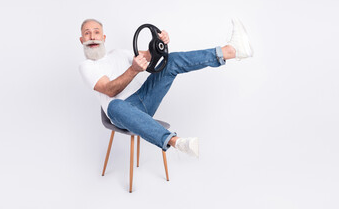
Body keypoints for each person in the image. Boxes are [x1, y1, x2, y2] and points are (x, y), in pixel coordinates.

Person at [79, 18, 253, 158]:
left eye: (96, 32)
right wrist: (133, 70)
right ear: (81, 40)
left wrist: (158, 42)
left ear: (104, 37)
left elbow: (150, 55)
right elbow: (110, 90)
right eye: (87, 33)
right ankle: (176, 142)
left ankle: (230, 51)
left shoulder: (118, 53)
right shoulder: (87, 66)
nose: (92, 37)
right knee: (114, 106)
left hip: (145, 99)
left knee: (173, 60)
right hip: (122, 113)